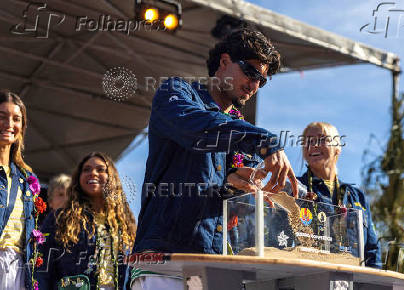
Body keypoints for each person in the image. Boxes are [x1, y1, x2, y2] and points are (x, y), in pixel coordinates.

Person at [131, 28, 298, 289]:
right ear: (224, 62)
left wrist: (244, 190)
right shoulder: (177, 92)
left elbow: (228, 190)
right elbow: (198, 129)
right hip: (165, 259)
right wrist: (264, 140)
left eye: (262, 81)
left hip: (217, 263)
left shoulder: (239, 127)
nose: (254, 85)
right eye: (251, 72)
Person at [36, 152, 137, 289]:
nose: (93, 173)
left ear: (111, 178)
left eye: (101, 169)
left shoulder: (124, 224)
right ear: (78, 179)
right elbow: (41, 268)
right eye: (86, 169)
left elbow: (134, 273)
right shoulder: (60, 218)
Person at [299, 122, 381, 268]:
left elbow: (372, 248)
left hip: (354, 279)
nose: (314, 145)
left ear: (337, 148)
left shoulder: (357, 196)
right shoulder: (295, 189)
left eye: (322, 139)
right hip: (309, 276)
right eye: (308, 141)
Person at [0, 89, 42, 290]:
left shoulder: (27, 179)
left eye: (16, 119)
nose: (9, 125)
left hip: (19, 269)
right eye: (2, 117)